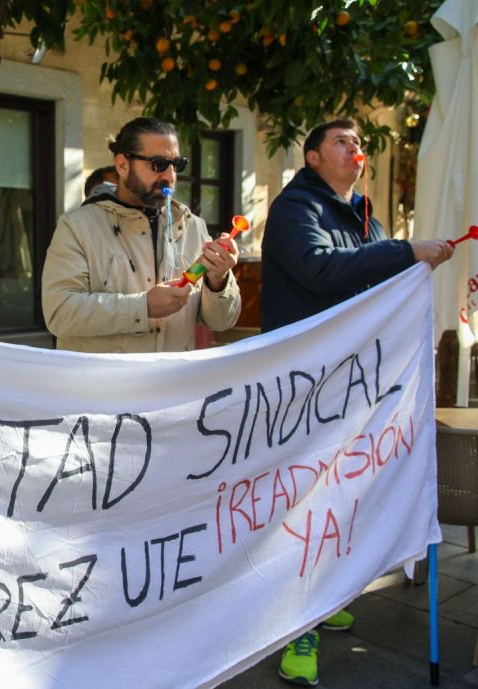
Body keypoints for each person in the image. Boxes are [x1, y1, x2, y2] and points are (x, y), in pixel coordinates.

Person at [261, 118, 454, 686]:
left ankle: (324, 597)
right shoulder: (297, 208)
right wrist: (406, 251)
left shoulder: (364, 212)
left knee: (341, 497)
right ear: (314, 157)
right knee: (303, 508)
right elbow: (321, 271)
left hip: (351, 386)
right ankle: (297, 628)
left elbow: (378, 281)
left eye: (360, 143)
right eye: (342, 142)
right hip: (305, 385)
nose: (356, 150)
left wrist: (410, 263)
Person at [42, 117, 241, 354]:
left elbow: (221, 322)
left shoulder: (193, 227)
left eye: (176, 164)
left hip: (172, 383)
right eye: (158, 164)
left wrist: (218, 281)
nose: (169, 176)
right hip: (107, 387)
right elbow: (59, 314)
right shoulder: (78, 226)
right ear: (122, 165)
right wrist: (142, 307)